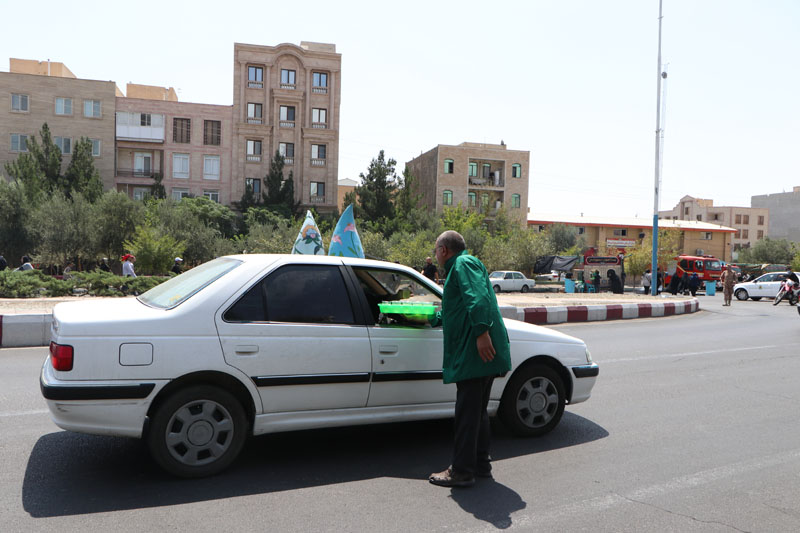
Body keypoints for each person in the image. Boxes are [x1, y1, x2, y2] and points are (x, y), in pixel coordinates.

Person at [428, 230, 511, 488]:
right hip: (475, 353)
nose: (435, 255)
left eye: (435, 250)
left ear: (443, 250)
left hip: (475, 353)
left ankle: (462, 471)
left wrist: (482, 333)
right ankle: (480, 464)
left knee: (467, 414)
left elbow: (478, 298)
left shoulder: (463, 263)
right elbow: (458, 308)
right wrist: (430, 318)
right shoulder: (460, 266)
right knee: (476, 413)